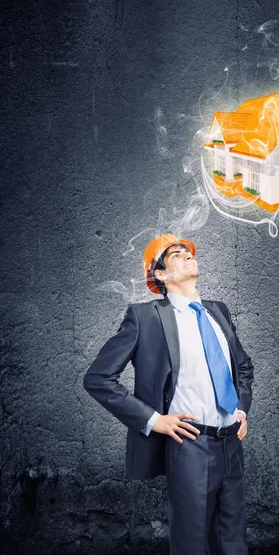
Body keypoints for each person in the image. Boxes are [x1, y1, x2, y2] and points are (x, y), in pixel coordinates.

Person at [83, 233, 254, 555]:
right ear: (159, 273)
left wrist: (241, 409)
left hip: (231, 443)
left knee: (232, 542)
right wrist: (153, 420)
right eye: (176, 254)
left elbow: (243, 367)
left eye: (188, 251)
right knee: (191, 543)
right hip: (189, 445)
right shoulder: (145, 317)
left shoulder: (218, 312)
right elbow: (98, 378)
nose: (188, 255)